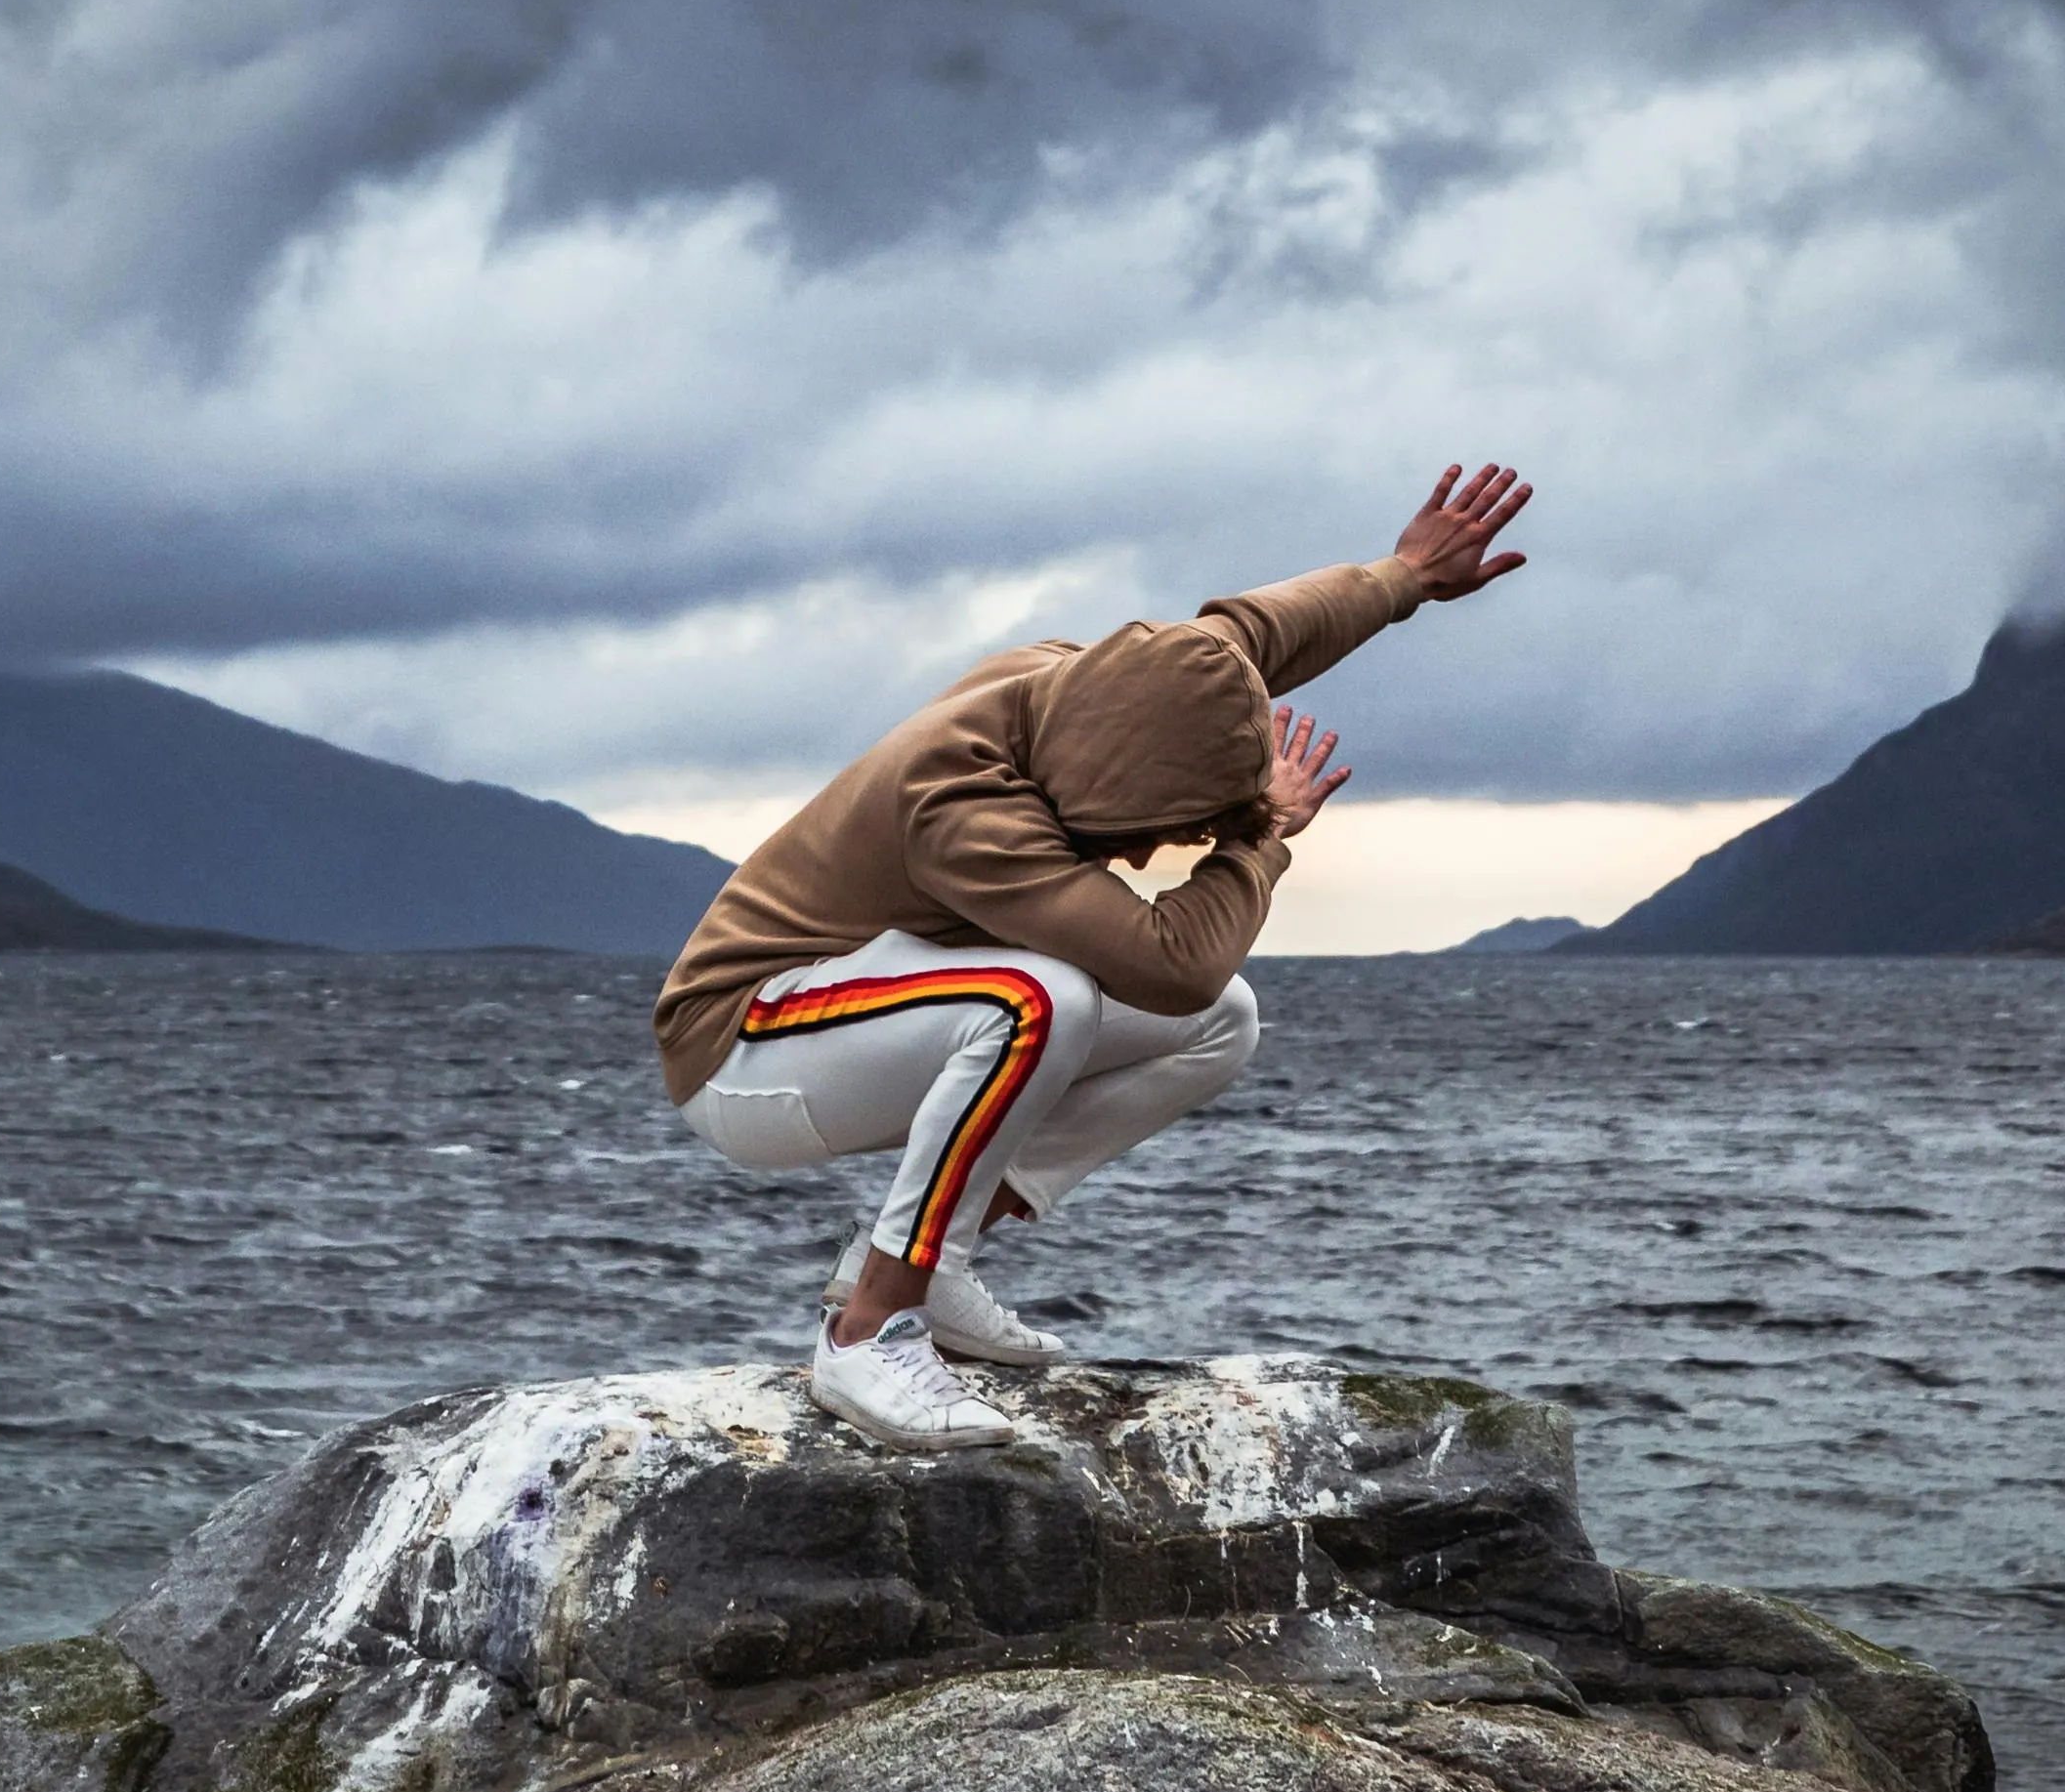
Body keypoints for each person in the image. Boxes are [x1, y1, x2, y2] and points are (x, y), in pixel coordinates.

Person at [653, 461, 1535, 1451]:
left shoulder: (1082, 680)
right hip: (740, 1046)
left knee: (1220, 1021)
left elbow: (1249, 634)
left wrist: (1402, 574)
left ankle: (927, 1261)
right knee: (1039, 1000)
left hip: (863, 997)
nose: (1147, 854)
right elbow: (1169, 959)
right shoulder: (965, 808)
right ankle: (865, 1331)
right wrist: (1259, 836)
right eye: (1150, 831)